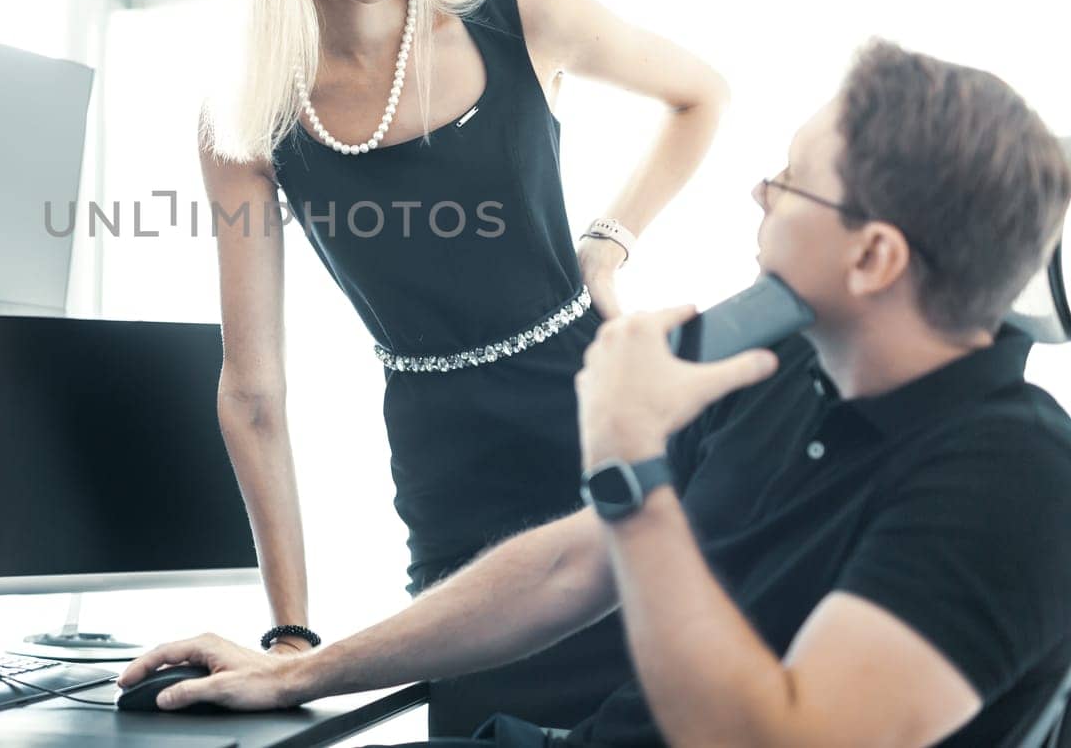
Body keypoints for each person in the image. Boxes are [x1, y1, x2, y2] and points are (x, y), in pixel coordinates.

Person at [131, 39, 1071, 747]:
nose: (759, 195)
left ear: (874, 256)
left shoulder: (1015, 478)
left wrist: (629, 464)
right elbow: (573, 564)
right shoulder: (784, 371)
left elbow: (779, 738)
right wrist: (300, 672)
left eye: (790, 183)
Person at [198, 0, 731, 733]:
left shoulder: (516, 10)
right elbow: (253, 389)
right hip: (449, 474)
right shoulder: (249, 111)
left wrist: (606, 245)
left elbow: (699, 95)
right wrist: (290, 634)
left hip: (601, 417)